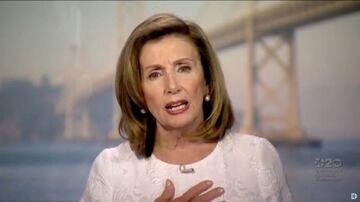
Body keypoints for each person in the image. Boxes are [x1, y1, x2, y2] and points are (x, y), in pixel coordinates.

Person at [81, 13, 292, 202]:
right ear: (139, 95)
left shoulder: (258, 158)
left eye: (183, 68)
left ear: (207, 82)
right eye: (155, 74)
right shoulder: (111, 170)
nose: (172, 86)